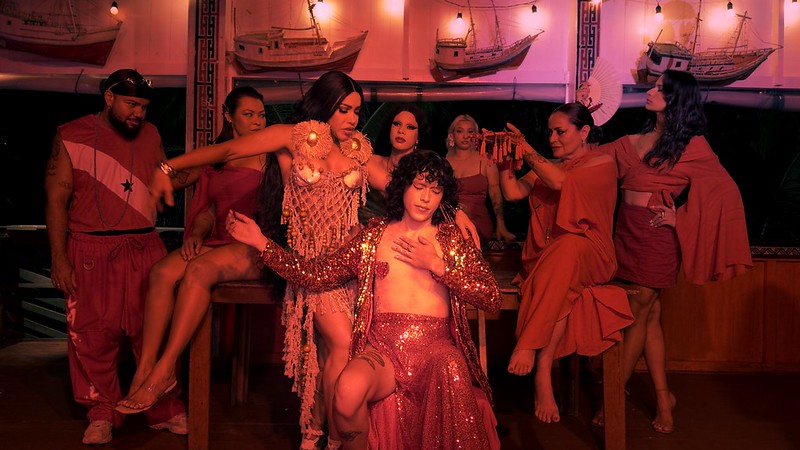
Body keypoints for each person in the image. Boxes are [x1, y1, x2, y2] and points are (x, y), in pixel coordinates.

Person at [226, 150, 502, 450]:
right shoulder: (374, 235)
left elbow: (491, 297)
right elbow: (318, 275)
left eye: (435, 191)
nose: (426, 198)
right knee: (346, 389)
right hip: (384, 351)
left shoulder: (451, 239)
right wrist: (261, 243)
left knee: (451, 363)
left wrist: (438, 266)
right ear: (403, 186)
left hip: (435, 351)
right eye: (419, 187)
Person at [592, 70, 752, 434]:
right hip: (625, 234)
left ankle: (611, 397)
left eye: (659, 88)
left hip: (656, 237)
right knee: (649, 316)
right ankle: (664, 398)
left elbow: (725, 192)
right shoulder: (636, 139)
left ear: (676, 99)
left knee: (636, 313)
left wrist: (681, 217)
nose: (650, 91)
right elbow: (591, 159)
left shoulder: (692, 145)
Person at [116, 87, 286, 415]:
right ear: (228, 116)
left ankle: (164, 369)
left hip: (252, 244)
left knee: (197, 270)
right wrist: (195, 233)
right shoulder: (216, 157)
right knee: (161, 272)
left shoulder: (270, 156)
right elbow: (210, 208)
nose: (257, 121)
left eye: (261, 115)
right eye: (248, 114)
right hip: (218, 241)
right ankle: (145, 366)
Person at [44, 69, 190, 445]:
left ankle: (161, 406)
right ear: (109, 98)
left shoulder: (151, 133)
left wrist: (207, 167)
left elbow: (164, 177)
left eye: (143, 106)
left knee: (153, 330)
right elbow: (56, 199)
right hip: (90, 248)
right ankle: (102, 411)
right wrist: (59, 258)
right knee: (93, 334)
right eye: (131, 104)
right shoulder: (71, 134)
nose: (138, 113)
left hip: (144, 244)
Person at [499, 103, 634, 423]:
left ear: (584, 131)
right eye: (549, 132)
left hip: (592, 253)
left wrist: (525, 147)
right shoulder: (548, 166)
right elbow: (513, 192)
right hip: (548, 258)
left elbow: (561, 182)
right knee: (561, 274)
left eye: (560, 131)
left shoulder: (602, 162)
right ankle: (544, 365)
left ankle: (532, 350)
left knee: (570, 245)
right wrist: (505, 159)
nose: (552, 138)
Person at [445, 114, 516, 244]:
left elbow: (495, 193)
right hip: (449, 222)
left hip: (478, 222)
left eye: (470, 132)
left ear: (476, 135)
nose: (465, 136)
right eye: (460, 131)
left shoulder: (485, 160)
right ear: (452, 135)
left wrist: (500, 224)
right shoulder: (443, 162)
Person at [360, 104, 431, 221]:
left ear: (418, 137)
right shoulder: (369, 161)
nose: (401, 131)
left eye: (410, 127)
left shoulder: (423, 173)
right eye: (397, 124)